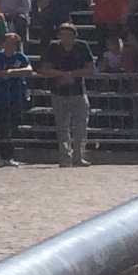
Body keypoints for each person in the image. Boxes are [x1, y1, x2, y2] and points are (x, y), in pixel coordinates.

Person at [44, 21, 96, 167]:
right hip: (58, 92)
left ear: (75, 36)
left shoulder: (82, 47)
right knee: (62, 128)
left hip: (79, 92)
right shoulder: (53, 47)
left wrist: (72, 74)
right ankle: (65, 157)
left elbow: (90, 68)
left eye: (69, 35)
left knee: (81, 127)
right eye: (63, 34)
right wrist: (63, 75)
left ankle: (78, 156)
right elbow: (45, 68)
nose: (66, 38)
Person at [0, 29, 32, 167]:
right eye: (8, 42)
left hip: (16, 96)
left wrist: (13, 72)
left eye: (13, 43)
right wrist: (0, 74)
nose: (10, 45)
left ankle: (9, 155)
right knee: (2, 126)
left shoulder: (20, 57)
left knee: (13, 126)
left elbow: (29, 69)